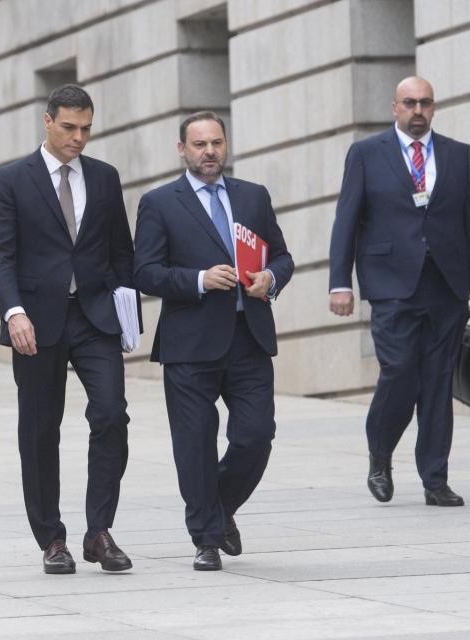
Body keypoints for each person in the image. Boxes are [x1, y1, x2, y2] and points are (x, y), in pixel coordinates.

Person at [0, 85, 137, 574]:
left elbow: (121, 253)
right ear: (46, 121)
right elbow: (1, 254)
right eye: (69, 127)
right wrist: (13, 312)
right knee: (38, 430)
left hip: (94, 316)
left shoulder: (105, 177)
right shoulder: (12, 180)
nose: (79, 137)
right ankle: (51, 538)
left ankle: (99, 532)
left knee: (112, 413)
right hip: (36, 320)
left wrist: (126, 308)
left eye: (86, 128)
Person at [133, 111, 294, 571]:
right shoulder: (160, 203)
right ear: (182, 149)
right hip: (190, 343)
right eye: (199, 144)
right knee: (194, 444)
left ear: (225, 146)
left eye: (216, 143)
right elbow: (144, 272)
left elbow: (281, 256)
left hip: (249, 338)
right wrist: (199, 279)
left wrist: (270, 277)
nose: (210, 152)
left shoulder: (253, 197)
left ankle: (218, 509)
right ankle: (205, 537)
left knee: (256, 435)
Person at [328, 76, 470, 507]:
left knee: (438, 382)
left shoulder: (458, 154)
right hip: (390, 284)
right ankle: (380, 453)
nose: (418, 111)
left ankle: (435, 479)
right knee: (399, 371)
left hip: (446, 284)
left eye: (425, 103)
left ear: (433, 108)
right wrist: (340, 281)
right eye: (409, 103)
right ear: (394, 107)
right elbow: (347, 218)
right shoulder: (366, 154)